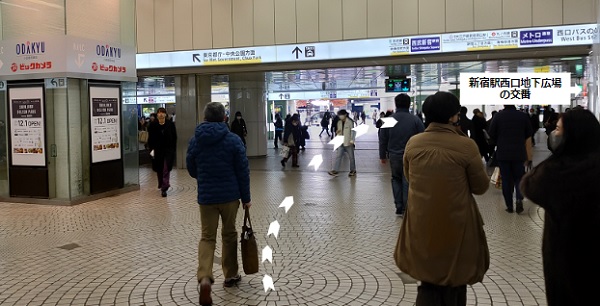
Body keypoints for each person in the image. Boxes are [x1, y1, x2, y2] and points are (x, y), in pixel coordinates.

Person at [395, 91, 489, 306]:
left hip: (421, 223)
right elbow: (481, 187)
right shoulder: (466, 145)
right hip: (458, 224)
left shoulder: (414, 143)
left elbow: (409, 177)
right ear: (453, 117)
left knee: (428, 280)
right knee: (456, 282)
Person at [520, 109, 600, 306]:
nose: (554, 133)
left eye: (558, 129)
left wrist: (558, 155)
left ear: (571, 136)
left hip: (567, 257)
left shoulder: (558, 173)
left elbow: (529, 186)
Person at [186, 102, 251, 306]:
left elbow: (191, 168)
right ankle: (230, 275)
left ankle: (205, 277)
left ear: (205, 118)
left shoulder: (196, 140)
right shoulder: (233, 140)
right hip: (230, 196)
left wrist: (205, 176)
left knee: (207, 237)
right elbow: (243, 171)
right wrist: (246, 198)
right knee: (229, 234)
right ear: (224, 118)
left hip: (206, 198)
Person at [379, 94, 424, 216]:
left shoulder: (389, 120)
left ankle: (398, 206)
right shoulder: (415, 120)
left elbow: (383, 139)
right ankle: (406, 206)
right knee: (407, 180)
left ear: (396, 104)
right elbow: (423, 137)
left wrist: (382, 156)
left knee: (396, 179)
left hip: (394, 155)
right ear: (409, 104)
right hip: (411, 156)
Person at [488, 105, 533, 213]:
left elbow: (491, 134)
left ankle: (509, 206)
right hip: (519, 153)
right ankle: (518, 199)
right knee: (519, 178)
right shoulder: (522, 116)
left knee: (506, 179)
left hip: (503, 153)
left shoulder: (498, 116)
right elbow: (529, 135)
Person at [147, 108, 177, 197]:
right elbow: (150, 139)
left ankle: (165, 187)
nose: (161, 114)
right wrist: (151, 149)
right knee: (159, 168)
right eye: (159, 113)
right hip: (157, 150)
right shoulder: (153, 125)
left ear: (165, 114)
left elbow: (174, 137)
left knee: (166, 168)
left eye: (162, 113)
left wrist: (173, 149)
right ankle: (161, 183)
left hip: (168, 150)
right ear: (157, 115)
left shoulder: (170, 124)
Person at [328, 109, 356, 177]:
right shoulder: (339, 122)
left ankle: (353, 170)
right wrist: (338, 132)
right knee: (338, 156)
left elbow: (353, 131)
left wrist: (352, 140)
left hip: (348, 142)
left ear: (345, 115)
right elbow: (339, 130)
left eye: (341, 115)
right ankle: (335, 170)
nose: (340, 116)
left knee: (351, 157)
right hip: (341, 142)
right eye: (339, 115)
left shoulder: (350, 122)